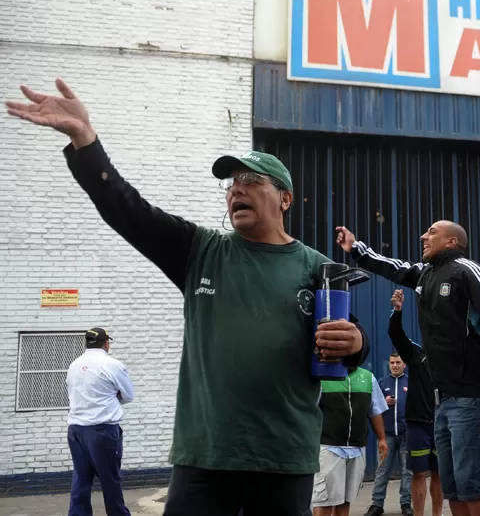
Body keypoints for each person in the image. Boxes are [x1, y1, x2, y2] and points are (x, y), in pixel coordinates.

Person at [6, 79, 371, 514]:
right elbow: (127, 209)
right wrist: (86, 140)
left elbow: (346, 342)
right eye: (232, 183)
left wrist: (357, 343)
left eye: (251, 179)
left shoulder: (316, 267)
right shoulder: (201, 252)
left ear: (285, 198)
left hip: (283, 457)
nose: (236, 189)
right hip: (205, 456)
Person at [335, 222, 480, 516]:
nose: (423, 236)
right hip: (444, 400)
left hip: (473, 394)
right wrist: (357, 250)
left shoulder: (467, 270)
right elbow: (394, 268)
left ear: (452, 241)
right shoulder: (426, 274)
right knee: (453, 488)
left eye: (432, 232)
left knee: (472, 486)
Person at [65, 327, 135, 516]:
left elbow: (72, 394)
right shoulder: (113, 365)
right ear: (106, 344)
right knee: (110, 480)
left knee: (81, 478)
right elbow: (128, 395)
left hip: (76, 430)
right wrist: (113, 395)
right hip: (102, 431)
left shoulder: (74, 365)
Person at [386, 290, 444, 516]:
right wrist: (397, 310)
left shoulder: (451, 356)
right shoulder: (416, 354)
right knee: (418, 474)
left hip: (442, 423)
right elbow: (396, 334)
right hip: (418, 423)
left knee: (439, 474)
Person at [314, 365, 389, 516]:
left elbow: (375, 410)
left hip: (357, 448)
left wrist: (382, 438)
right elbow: (310, 410)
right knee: (324, 502)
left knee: (345, 501)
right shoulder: (322, 376)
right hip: (329, 447)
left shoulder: (368, 378)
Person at [366, 353, 414, 516]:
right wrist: (384, 402)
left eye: (398, 362)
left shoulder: (411, 383)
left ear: (404, 364)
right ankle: (377, 504)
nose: (394, 365)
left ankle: (406, 504)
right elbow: (372, 407)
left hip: (407, 434)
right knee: (382, 470)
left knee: (407, 471)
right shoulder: (381, 383)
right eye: (392, 362)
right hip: (387, 435)